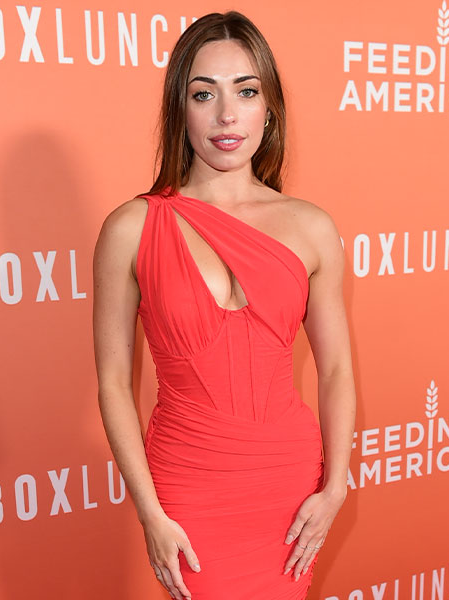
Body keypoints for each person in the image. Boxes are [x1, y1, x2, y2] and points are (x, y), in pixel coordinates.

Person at [92, 11, 356, 600]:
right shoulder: (131, 228)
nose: (226, 115)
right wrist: (149, 512)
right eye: (203, 94)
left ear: (270, 107)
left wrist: (334, 486)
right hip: (186, 484)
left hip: (288, 482)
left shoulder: (310, 227)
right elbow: (113, 381)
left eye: (245, 91)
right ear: (178, 108)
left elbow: (336, 368)